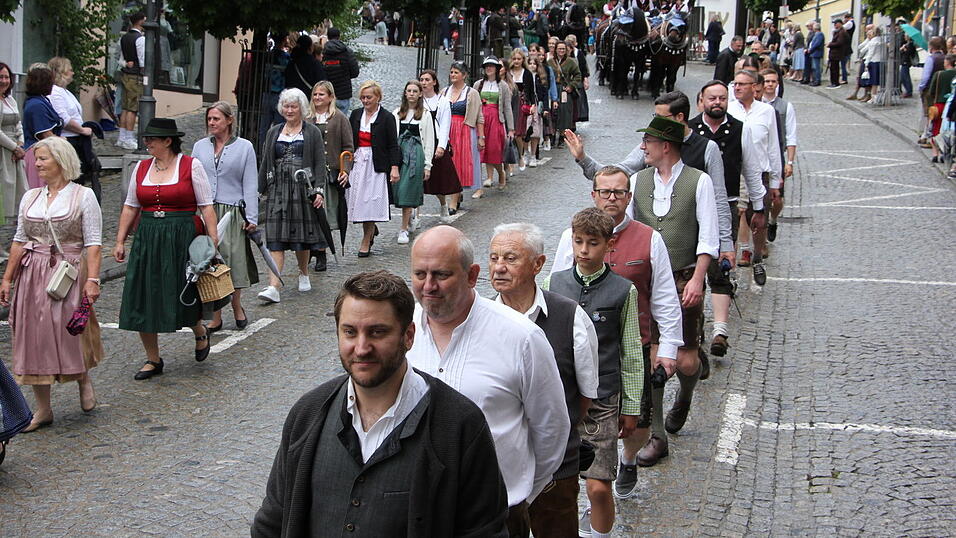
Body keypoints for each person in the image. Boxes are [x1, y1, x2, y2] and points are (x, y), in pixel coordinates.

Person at [251, 271, 509, 537]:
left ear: (408, 336)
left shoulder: (459, 425)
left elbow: (484, 531)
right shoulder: (308, 414)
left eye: (377, 332)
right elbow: (272, 521)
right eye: (350, 332)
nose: (362, 348)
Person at [407, 225, 569, 538]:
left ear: (471, 275)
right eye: (419, 274)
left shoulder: (521, 337)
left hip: (496, 518)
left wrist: (516, 495)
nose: (428, 286)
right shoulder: (399, 331)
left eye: (441, 274)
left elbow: (551, 430)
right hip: (414, 514)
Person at [550, 165, 683, 476]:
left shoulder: (649, 238)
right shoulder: (572, 237)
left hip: (637, 343)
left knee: (638, 419)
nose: (612, 198)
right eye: (605, 192)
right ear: (594, 195)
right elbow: (556, 290)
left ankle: (629, 459)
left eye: (619, 192)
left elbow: (664, 295)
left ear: (628, 196)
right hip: (585, 352)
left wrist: (669, 348)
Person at [489, 222, 599, 538]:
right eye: (494, 258)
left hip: (556, 467)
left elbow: (585, 394)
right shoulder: (479, 319)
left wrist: (555, 433)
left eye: (510, 258)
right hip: (500, 468)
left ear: (538, 264)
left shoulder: (569, 316)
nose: (499, 268)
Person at [543, 208, 643, 538]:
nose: (584, 250)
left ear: (609, 245)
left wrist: (630, 407)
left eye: (593, 243)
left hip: (603, 399)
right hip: (561, 398)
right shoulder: (552, 283)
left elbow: (630, 353)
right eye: (578, 242)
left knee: (599, 488)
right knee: (557, 486)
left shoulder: (623, 290)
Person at [0, 136, 103, 430]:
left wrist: (92, 280)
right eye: (38, 158)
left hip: (67, 274)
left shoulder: (82, 196)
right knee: (31, 338)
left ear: (61, 160)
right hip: (32, 274)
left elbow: (94, 244)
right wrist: (7, 279)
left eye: (44, 158)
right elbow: (20, 240)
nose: (38, 163)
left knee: (69, 332)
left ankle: (83, 378)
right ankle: (43, 409)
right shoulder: (30, 197)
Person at [631, 116, 719, 443]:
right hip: (647, 281)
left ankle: (685, 394)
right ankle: (656, 436)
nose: (643, 148)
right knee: (653, 356)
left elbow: (708, 238)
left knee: (685, 359)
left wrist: (698, 279)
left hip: (684, 276)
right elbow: (624, 229)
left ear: (665, 146)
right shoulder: (637, 181)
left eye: (648, 142)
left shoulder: (699, 182)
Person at [115, 118, 218, 379]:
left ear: (168, 141)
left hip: (182, 235)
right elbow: (130, 206)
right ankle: (153, 359)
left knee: (182, 290)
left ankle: (198, 330)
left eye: (152, 139)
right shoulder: (141, 168)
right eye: (146, 138)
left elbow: (206, 206)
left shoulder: (190, 165)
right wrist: (119, 240)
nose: (147, 142)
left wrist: (212, 243)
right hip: (149, 236)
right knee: (143, 294)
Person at [689, 80, 764, 357]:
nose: (717, 102)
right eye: (712, 98)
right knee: (690, 269)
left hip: (726, 206)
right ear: (702, 100)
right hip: (691, 208)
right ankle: (694, 330)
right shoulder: (690, 130)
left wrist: (758, 206)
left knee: (720, 268)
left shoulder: (740, 130)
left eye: (722, 97)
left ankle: (720, 330)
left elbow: (752, 170)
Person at [191, 102, 259, 331]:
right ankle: (216, 316)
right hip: (206, 211)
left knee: (232, 263)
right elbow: (190, 180)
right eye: (209, 119)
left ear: (229, 120)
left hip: (232, 212)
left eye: (216, 119)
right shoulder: (199, 147)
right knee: (210, 264)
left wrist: (251, 216)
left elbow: (250, 183)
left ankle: (237, 305)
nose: (211, 123)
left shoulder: (245, 147)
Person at [257, 88, 327, 302]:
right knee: (275, 239)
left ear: (301, 109)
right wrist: (260, 190)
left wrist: (319, 190)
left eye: (293, 106)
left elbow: (319, 164)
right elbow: (266, 161)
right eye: (286, 106)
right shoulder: (274, 132)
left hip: (301, 190)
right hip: (278, 189)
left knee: (300, 238)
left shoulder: (312, 132)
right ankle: (273, 287)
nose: (289, 110)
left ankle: (303, 272)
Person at [347, 80, 401, 257]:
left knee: (370, 203)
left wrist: (394, 167)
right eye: (362, 97)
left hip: (376, 165)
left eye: (368, 97)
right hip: (358, 162)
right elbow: (348, 141)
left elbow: (393, 145)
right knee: (360, 203)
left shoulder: (386, 118)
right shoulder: (355, 115)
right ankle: (370, 230)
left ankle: (365, 240)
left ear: (378, 97)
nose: (365, 100)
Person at [309, 80, 354, 271]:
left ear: (330, 97)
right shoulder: (306, 118)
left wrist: (345, 170)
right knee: (309, 215)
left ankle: (321, 253)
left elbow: (348, 148)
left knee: (324, 215)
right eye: (315, 94)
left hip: (329, 176)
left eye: (321, 95)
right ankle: (313, 248)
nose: (318, 98)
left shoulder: (339, 118)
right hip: (309, 174)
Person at [47, 57, 102, 203]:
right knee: (72, 177)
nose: (72, 73)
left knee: (81, 175)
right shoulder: (55, 92)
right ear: (61, 72)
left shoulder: (65, 92)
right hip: (69, 138)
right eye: (70, 70)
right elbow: (63, 118)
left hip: (77, 138)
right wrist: (82, 130)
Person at [392, 81, 434, 245]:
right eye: (408, 90)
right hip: (400, 154)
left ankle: (403, 229)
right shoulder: (397, 113)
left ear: (420, 94)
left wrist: (427, 165)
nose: (411, 94)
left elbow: (429, 141)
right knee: (398, 190)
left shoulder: (425, 114)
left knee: (407, 189)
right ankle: (410, 216)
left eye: (414, 91)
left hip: (416, 155)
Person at [440, 62, 484, 214]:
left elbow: (479, 116)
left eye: (456, 72)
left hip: (464, 130)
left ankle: (453, 200)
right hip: (447, 131)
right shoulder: (444, 92)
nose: (452, 75)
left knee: (460, 164)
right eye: (451, 72)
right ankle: (455, 194)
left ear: (464, 75)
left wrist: (481, 136)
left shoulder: (472, 93)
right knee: (448, 164)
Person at [419, 69, 460, 222]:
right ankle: (414, 215)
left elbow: (445, 125)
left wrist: (442, 146)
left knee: (438, 180)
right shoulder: (418, 100)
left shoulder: (442, 102)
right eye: (422, 80)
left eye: (427, 80)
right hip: (420, 142)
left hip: (436, 142)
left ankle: (443, 204)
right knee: (417, 180)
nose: (424, 83)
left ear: (434, 82)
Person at [760, 70, 797, 240]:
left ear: (777, 84)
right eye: (766, 81)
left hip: (777, 157)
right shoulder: (755, 104)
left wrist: (789, 161)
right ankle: (761, 230)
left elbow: (791, 135)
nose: (769, 84)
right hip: (759, 156)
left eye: (773, 81)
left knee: (778, 199)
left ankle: (772, 220)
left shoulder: (785, 106)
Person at [473, 57, 514, 198]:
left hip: (496, 120)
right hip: (481, 120)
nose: (489, 68)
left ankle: (501, 173)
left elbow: (507, 108)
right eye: (487, 66)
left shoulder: (503, 86)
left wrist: (511, 128)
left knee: (494, 150)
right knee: (479, 152)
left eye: (492, 66)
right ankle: (479, 186)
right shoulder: (478, 84)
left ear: (497, 68)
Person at [21, 64, 63, 190]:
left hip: (43, 153)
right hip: (38, 155)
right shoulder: (36, 105)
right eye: (51, 81)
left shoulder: (41, 100)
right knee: (40, 192)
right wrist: (63, 143)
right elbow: (46, 135)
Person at [0, 61, 26, 224]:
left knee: (17, 194)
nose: (3, 80)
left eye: (6, 77)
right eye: (0, 77)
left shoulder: (11, 100)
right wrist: (14, 147)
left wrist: (21, 143)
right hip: (3, 151)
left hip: (15, 152)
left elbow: (18, 124)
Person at [117, 12, 145, 151]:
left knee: (125, 107)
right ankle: (128, 138)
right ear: (140, 22)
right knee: (133, 108)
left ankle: (122, 137)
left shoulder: (124, 37)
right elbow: (142, 59)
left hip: (126, 75)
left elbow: (121, 59)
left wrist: (126, 64)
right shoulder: (140, 39)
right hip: (135, 77)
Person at [321, 27, 360, 116]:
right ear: (339, 36)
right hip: (343, 92)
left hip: (326, 92)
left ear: (328, 36)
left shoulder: (322, 52)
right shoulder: (347, 51)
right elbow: (355, 72)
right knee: (342, 122)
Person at [508, 50, 536, 171]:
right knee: (509, 134)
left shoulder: (527, 74)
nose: (516, 61)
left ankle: (520, 154)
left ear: (522, 60)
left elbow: (531, 91)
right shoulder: (508, 73)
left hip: (522, 106)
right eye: (514, 59)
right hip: (509, 104)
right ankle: (510, 162)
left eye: (519, 59)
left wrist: (533, 105)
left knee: (519, 134)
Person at [549, 42, 581, 144]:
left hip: (564, 90)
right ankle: (552, 135)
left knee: (565, 113)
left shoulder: (571, 62)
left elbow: (578, 75)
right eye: (559, 49)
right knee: (553, 113)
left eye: (563, 49)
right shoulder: (550, 62)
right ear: (555, 50)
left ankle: (563, 136)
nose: (561, 51)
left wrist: (571, 86)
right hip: (553, 89)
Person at [826, 19, 851, 89]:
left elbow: (839, 43)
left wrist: (830, 44)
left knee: (835, 68)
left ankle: (835, 83)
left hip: (837, 53)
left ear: (840, 24)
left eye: (836, 23)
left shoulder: (842, 32)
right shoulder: (838, 32)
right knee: (833, 68)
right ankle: (833, 82)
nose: (834, 25)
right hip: (834, 53)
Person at [804, 22, 824, 86]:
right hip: (814, 53)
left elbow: (817, 44)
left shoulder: (819, 34)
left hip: (816, 53)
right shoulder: (816, 34)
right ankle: (814, 80)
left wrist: (811, 49)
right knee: (814, 68)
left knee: (816, 67)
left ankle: (817, 80)